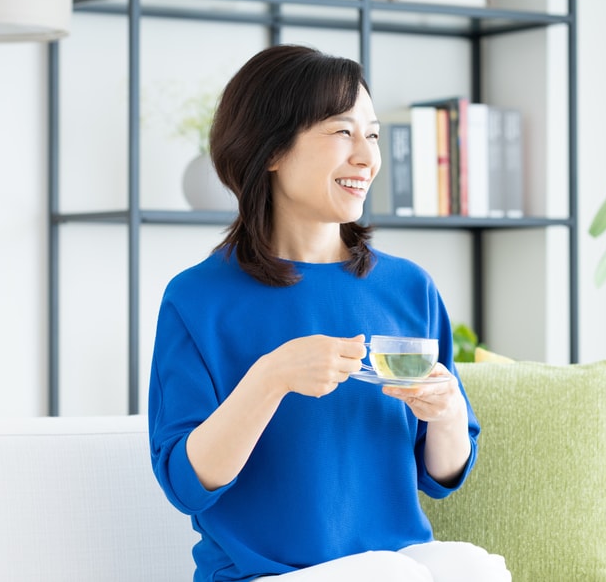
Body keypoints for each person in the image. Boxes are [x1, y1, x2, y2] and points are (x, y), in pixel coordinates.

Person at [148, 44, 510, 582]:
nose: (367, 157)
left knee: (475, 568)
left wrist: (448, 413)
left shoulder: (408, 287)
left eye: (374, 135)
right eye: (343, 132)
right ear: (270, 149)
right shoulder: (198, 299)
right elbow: (185, 483)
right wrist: (270, 379)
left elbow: (441, 474)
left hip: (395, 564)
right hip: (264, 575)